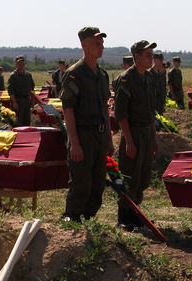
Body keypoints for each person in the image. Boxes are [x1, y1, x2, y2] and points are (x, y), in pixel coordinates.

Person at [60, 26, 113, 222]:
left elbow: (105, 110)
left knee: (98, 183)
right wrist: (74, 143)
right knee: (81, 182)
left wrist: (108, 138)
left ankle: (88, 221)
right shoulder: (75, 74)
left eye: (102, 43)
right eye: (96, 43)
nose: (101, 47)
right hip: (82, 135)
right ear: (84, 45)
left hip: (99, 135)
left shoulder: (102, 75)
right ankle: (72, 221)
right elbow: (68, 109)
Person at [114, 40, 157, 230]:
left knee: (143, 175)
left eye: (152, 55)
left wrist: (154, 139)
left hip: (147, 131)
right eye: (148, 55)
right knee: (129, 175)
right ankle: (124, 217)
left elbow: (150, 112)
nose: (151, 58)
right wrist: (129, 141)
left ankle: (136, 213)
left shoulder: (148, 78)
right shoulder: (126, 79)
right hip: (133, 132)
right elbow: (121, 114)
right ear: (137, 56)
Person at [7, 56, 35, 126]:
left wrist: (32, 100)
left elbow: (31, 88)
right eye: (19, 63)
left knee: (27, 121)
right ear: (16, 64)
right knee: (17, 122)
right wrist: (14, 102)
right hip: (18, 101)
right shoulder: (13, 75)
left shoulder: (28, 75)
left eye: (22, 63)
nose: (21, 65)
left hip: (27, 101)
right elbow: (11, 91)